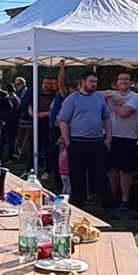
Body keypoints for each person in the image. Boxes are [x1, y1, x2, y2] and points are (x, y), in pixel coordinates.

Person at [57, 71, 112, 211]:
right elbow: (63, 120)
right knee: (77, 174)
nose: (94, 84)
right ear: (82, 82)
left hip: (96, 141)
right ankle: (78, 203)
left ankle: (108, 204)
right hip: (77, 142)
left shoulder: (99, 98)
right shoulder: (72, 99)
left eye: (95, 82)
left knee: (100, 173)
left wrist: (109, 137)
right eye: (91, 81)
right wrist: (67, 141)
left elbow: (107, 118)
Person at [105, 72, 138, 211]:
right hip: (110, 136)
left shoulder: (135, 97)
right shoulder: (112, 94)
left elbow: (124, 112)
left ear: (131, 82)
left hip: (126, 137)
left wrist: (112, 104)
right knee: (110, 169)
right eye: (120, 79)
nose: (123, 81)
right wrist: (112, 96)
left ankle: (125, 200)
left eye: (126, 79)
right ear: (116, 82)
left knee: (124, 170)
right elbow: (94, 93)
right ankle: (111, 197)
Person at [33, 76, 61, 186]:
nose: (47, 85)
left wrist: (45, 114)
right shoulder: (38, 94)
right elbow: (31, 105)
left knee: (49, 150)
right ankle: (30, 168)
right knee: (35, 146)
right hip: (37, 124)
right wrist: (33, 112)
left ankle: (49, 171)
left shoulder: (58, 96)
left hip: (51, 127)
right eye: (45, 83)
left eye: (52, 84)